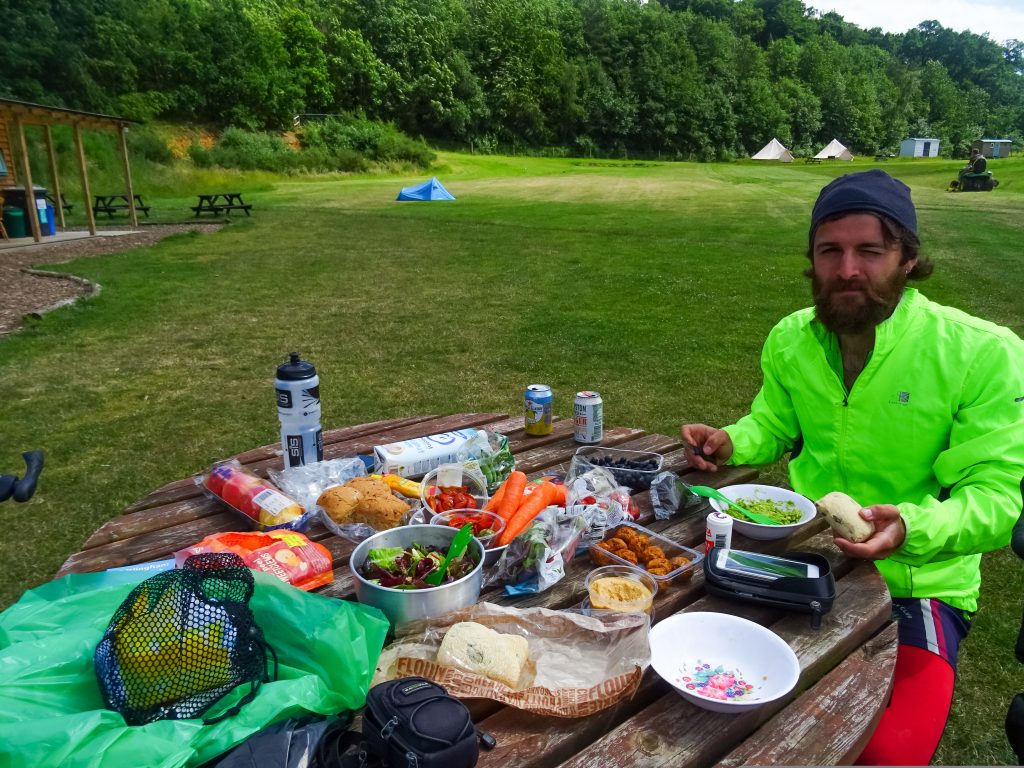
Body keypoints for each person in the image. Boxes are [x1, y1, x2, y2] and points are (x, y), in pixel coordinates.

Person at [681, 169, 1024, 766]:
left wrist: (912, 528)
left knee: (885, 754)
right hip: (806, 557)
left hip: (918, 588)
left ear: (909, 259)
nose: (847, 270)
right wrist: (732, 442)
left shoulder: (982, 354)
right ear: (811, 258)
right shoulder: (792, 338)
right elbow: (775, 423)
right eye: (830, 251)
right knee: (703, 697)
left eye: (870, 251)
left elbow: (998, 499)